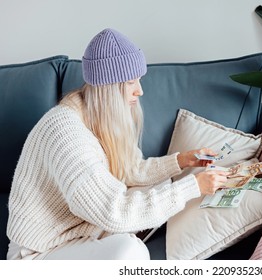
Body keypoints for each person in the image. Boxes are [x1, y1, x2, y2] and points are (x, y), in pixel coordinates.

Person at [6, 28, 228, 260]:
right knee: (130, 251)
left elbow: (131, 171)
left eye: (139, 79)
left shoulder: (98, 118)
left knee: (147, 193)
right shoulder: (65, 132)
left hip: (82, 234)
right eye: (131, 82)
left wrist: (181, 161)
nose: (140, 90)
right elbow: (114, 212)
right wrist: (193, 187)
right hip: (38, 254)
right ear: (108, 88)